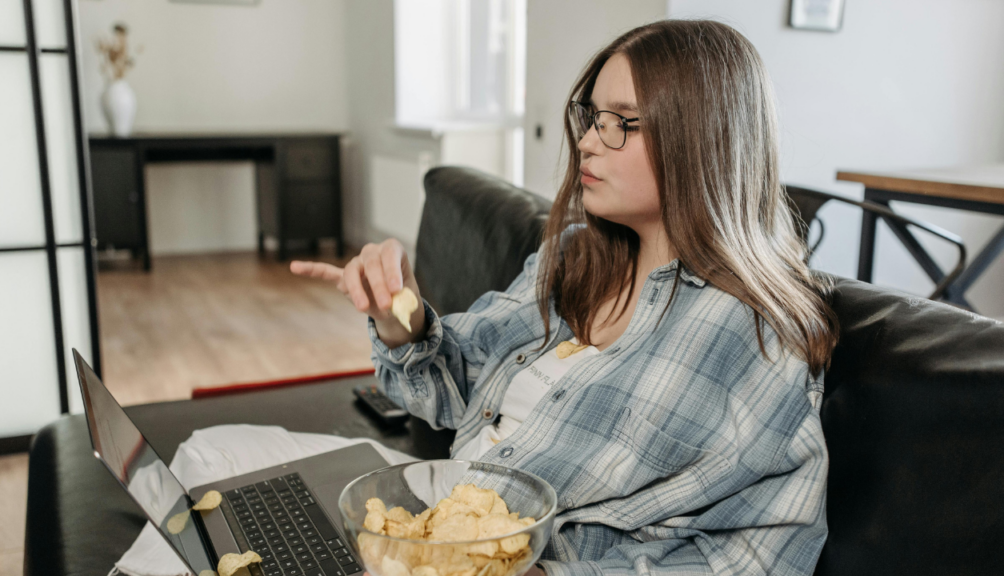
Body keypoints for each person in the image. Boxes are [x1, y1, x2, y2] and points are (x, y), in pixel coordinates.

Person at [292, 19, 837, 576]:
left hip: (510, 562)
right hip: (436, 523)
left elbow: (761, 557)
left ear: (705, 138)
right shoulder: (571, 255)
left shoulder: (756, 334)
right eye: (591, 117)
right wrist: (398, 317)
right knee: (214, 453)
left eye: (620, 123)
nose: (587, 142)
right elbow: (451, 385)